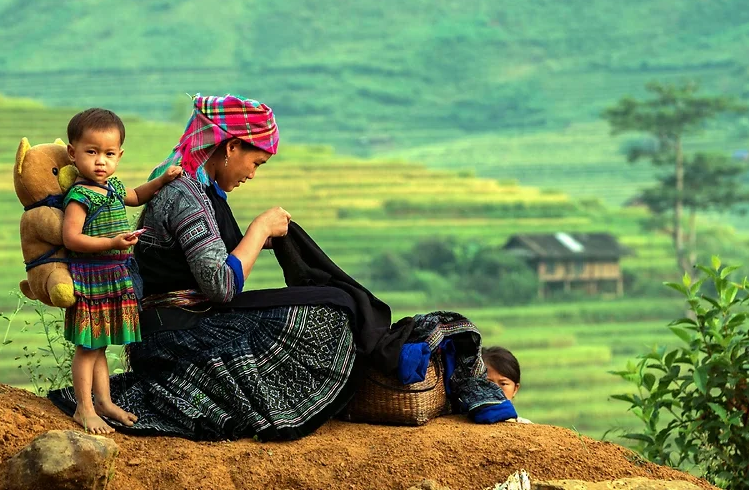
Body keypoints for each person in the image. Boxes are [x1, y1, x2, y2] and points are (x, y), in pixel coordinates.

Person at [48, 95, 513, 440]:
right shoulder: (184, 195)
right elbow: (221, 286)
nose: (253, 173)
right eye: (256, 161)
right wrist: (258, 231)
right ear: (230, 148)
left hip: (196, 317)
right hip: (177, 331)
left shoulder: (204, 191)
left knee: (335, 300)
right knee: (326, 317)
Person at [60, 108, 182, 434]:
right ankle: (83, 408)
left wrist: (162, 180)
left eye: (109, 154)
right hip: (92, 278)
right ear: (73, 154)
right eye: (92, 152)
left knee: (99, 344)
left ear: (119, 156)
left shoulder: (113, 186)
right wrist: (111, 241)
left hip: (115, 276)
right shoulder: (80, 195)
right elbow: (71, 238)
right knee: (88, 346)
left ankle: (104, 401)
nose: (101, 161)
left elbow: (137, 196)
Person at [483, 346, 532, 423]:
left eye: (503, 384)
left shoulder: (526, 427)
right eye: (488, 383)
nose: (495, 390)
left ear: (515, 389)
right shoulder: (462, 422)